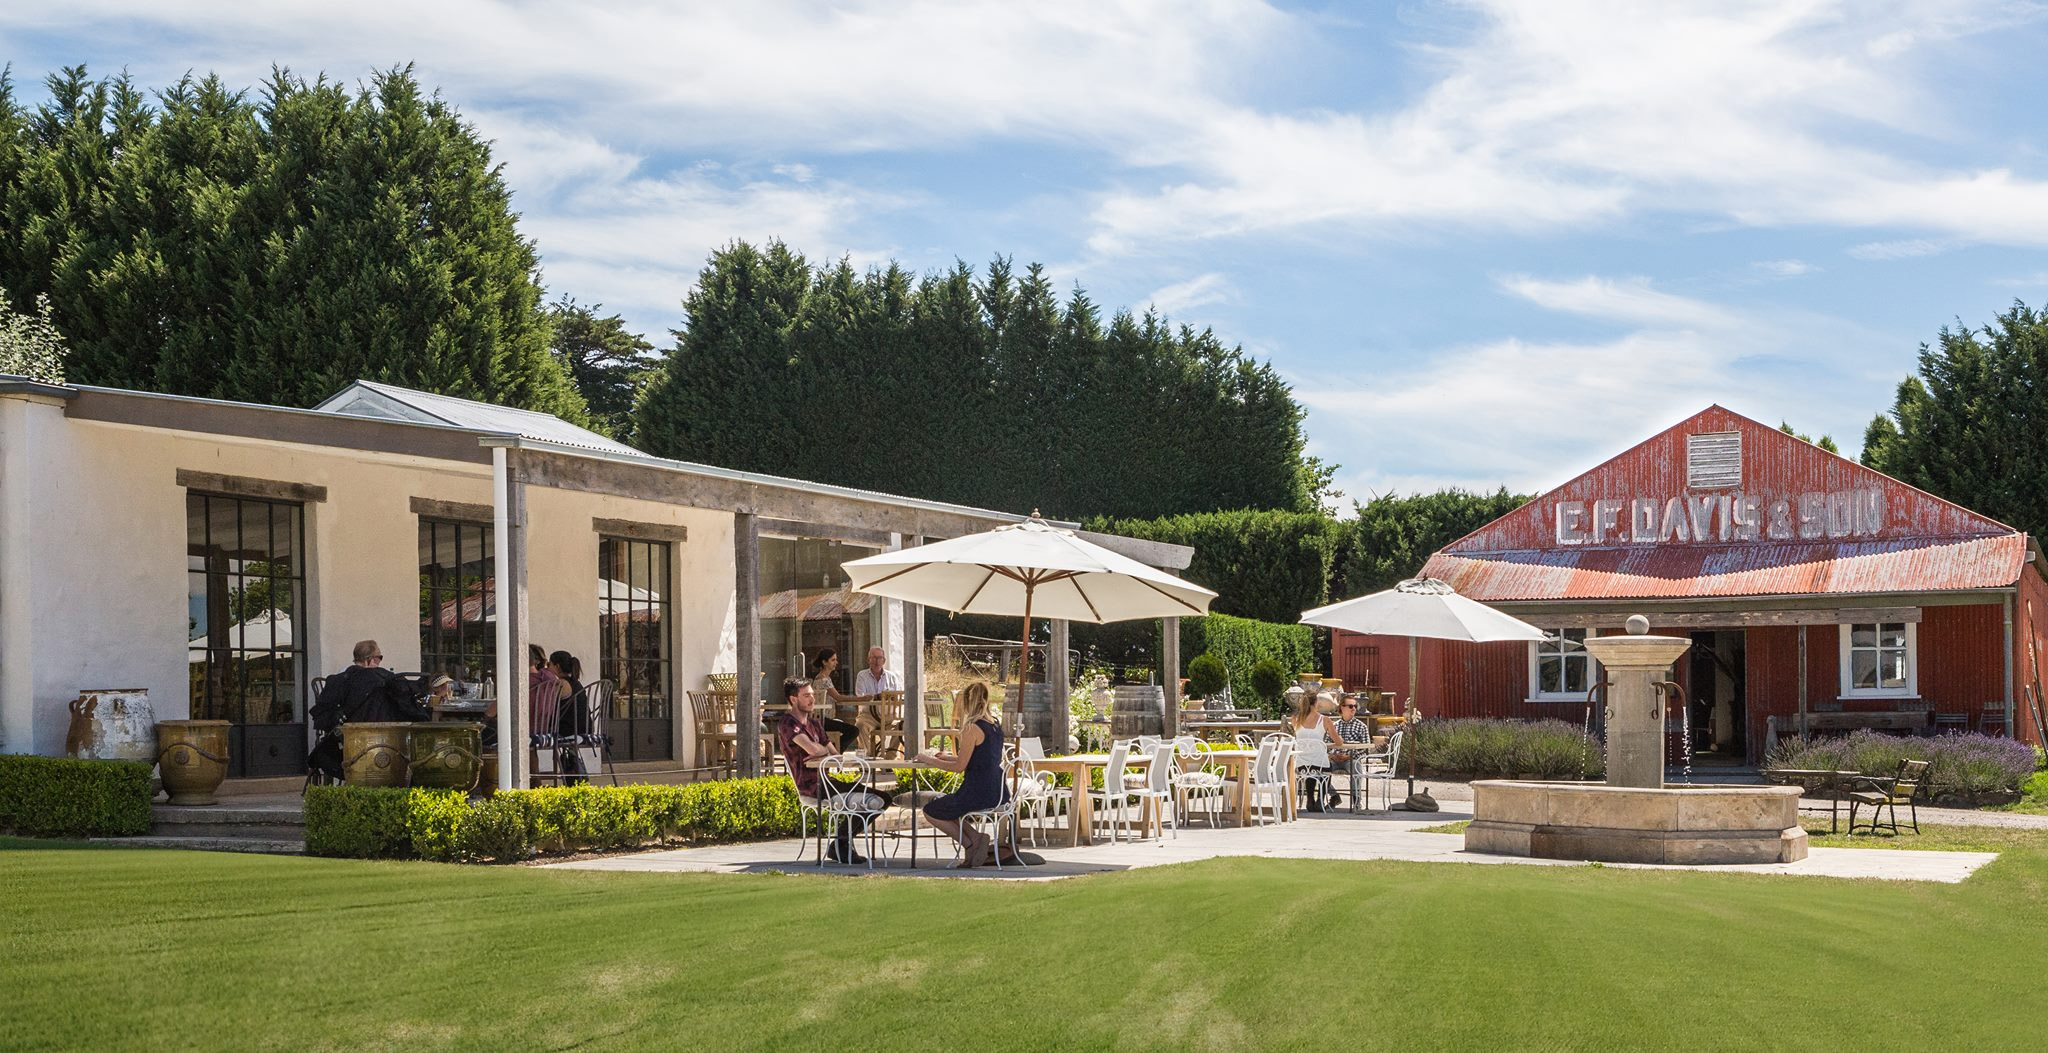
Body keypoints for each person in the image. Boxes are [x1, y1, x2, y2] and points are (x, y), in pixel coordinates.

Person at [778, 676, 889, 864]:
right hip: (811, 787)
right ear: (793, 699)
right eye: (806, 696)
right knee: (876, 800)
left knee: (884, 798)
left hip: (829, 782)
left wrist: (821, 751)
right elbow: (814, 749)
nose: (812, 699)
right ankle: (841, 845)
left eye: (812, 695)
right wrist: (821, 750)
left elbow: (835, 755)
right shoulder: (788, 723)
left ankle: (840, 844)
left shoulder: (815, 724)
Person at [917, 682, 1011, 868]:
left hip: (977, 791)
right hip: (997, 790)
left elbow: (959, 767)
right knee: (947, 809)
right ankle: (975, 838)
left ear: (967, 702)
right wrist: (947, 757)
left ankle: (970, 843)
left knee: (931, 811)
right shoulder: (994, 725)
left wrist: (929, 760)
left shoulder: (972, 728)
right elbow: (980, 758)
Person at [306, 640, 429, 779]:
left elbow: (324, 714)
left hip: (346, 742)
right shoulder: (386, 680)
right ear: (371, 659)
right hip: (387, 742)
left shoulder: (338, 681)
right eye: (379, 658)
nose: (379, 662)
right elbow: (409, 708)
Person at [1287, 690, 1345, 813]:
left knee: (1311, 769)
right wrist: (1332, 742)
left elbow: (1301, 739)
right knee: (1324, 769)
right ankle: (1320, 799)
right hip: (1319, 761)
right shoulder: (1324, 720)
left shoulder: (1295, 719)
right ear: (1316, 702)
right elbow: (1339, 742)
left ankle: (1310, 799)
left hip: (1301, 763)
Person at [807, 649, 862, 752]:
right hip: (822, 720)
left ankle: (833, 752)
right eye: (833, 660)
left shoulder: (825, 678)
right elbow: (838, 697)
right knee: (853, 731)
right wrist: (862, 698)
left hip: (823, 719)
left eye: (836, 660)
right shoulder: (823, 679)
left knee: (848, 728)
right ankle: (835, 753)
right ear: (824, 662)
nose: (836, 662)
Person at [1329, 695, 1374, 810]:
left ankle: (1356, 800)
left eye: (1355, 706)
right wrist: (1332, 755)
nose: (1353, 708)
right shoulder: (1334, 726)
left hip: (1351, 759)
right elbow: (1326, 744)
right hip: (1334, 759)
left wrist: (1349, 756)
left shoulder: (1361, 726)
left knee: (1356, 767)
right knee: (1320, 768)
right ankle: (1334, 796)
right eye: (1350, 706)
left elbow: (1366, 749)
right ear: (1342, 707)